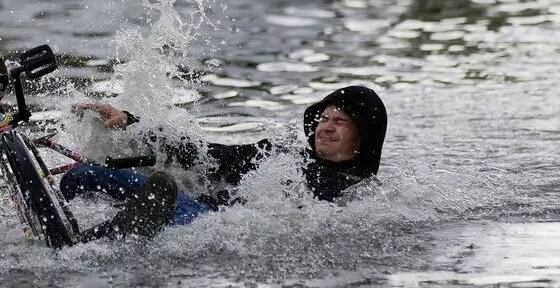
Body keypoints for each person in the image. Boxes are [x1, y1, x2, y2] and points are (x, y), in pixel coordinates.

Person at [62, 85, 388, 237]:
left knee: (161, 197)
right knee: (83, 175)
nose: (326, 127)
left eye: (340, 122)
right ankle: (60, 212)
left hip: (206, 224)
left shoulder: (359, 195)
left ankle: (87, 240)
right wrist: (131, 120)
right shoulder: (281, 156)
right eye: (324, 119)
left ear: (362, 137)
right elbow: (208, 154)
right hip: (194, 206)